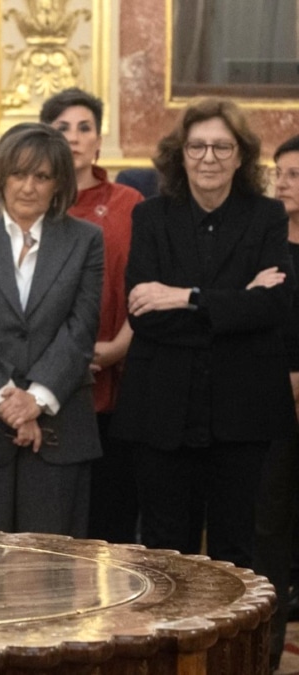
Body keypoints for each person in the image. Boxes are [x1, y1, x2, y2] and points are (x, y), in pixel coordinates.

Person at [111, 99, 295, 572]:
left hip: (243, 412)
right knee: (165, 554)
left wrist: (184, 296)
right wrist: (233, 304)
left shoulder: (267, 216)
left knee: (237, 554)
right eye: (197, 146)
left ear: (240, 156)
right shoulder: (151, 216)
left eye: (221, 146)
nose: (208, 157)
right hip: (163, 411)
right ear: (181, 153)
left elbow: (273, 306)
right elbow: (144, 313)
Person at [0, 122, 104, 536]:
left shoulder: (86, 240)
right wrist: (11, 402)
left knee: (52, 580)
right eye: (18, 173)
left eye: (42, 176)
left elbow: (81, 329)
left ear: (58, 183)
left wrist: (38, 400)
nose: (28, 187)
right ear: (0, 177)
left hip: (58, 434)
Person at [38, 88, 144, 544]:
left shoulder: (129, 201)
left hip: (118, 373)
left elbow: (143, 280)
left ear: (99, 140)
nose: (75, 138)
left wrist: (121, 344)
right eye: (63, 129)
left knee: (113, 520)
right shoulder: (33, 201)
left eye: (85, 128)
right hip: (50, 382)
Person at [254, 133, 299, 670]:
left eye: (293, 174)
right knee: (268, 528)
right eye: (279, 172)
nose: (282, 182)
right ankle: (263, 653)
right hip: (268, 402)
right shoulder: (263, 243)